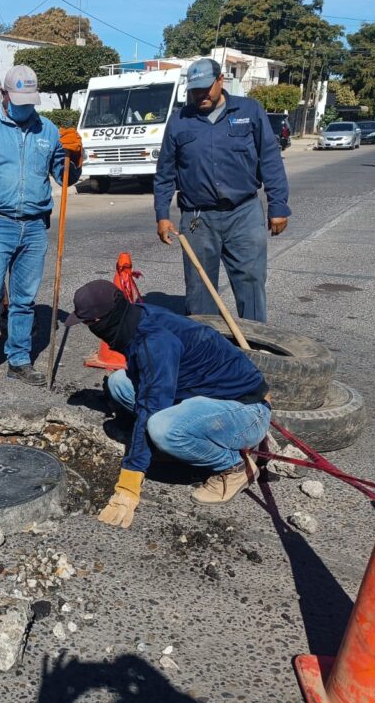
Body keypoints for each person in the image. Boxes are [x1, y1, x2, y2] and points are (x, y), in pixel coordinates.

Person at [67, 279, 272, 528]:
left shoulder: (154, 343)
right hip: (207, 396)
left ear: (101, 322)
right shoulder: (136, 316)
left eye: (88, 323)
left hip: (245, 410)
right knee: (120, 382)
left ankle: (234, 466)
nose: (89, 329)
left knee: (161, 428)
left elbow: (151, 404)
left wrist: (129, 483)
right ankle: (189, 441)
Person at [0, 65, 83, 398]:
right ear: (4, 94)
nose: (26, 106)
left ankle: (18, 362)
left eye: (30, 100)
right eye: (19, 99)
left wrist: (75, 157)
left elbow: (65, 179)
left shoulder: (48, 131)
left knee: (24, 302)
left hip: (35, 227)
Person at [154, 58, 290, 323]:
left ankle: (254, 346)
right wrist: (162, 214)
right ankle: (207, 350)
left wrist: (278, 206)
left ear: (220, 81)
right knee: (199, 289)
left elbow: (270, 160)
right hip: (198, 218)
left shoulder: (249, 111)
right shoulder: (179, 121)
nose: (201, 94)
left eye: (206, 87)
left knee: (250, 281)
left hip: (244, 214)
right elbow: (164, 173)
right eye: (195, 89)